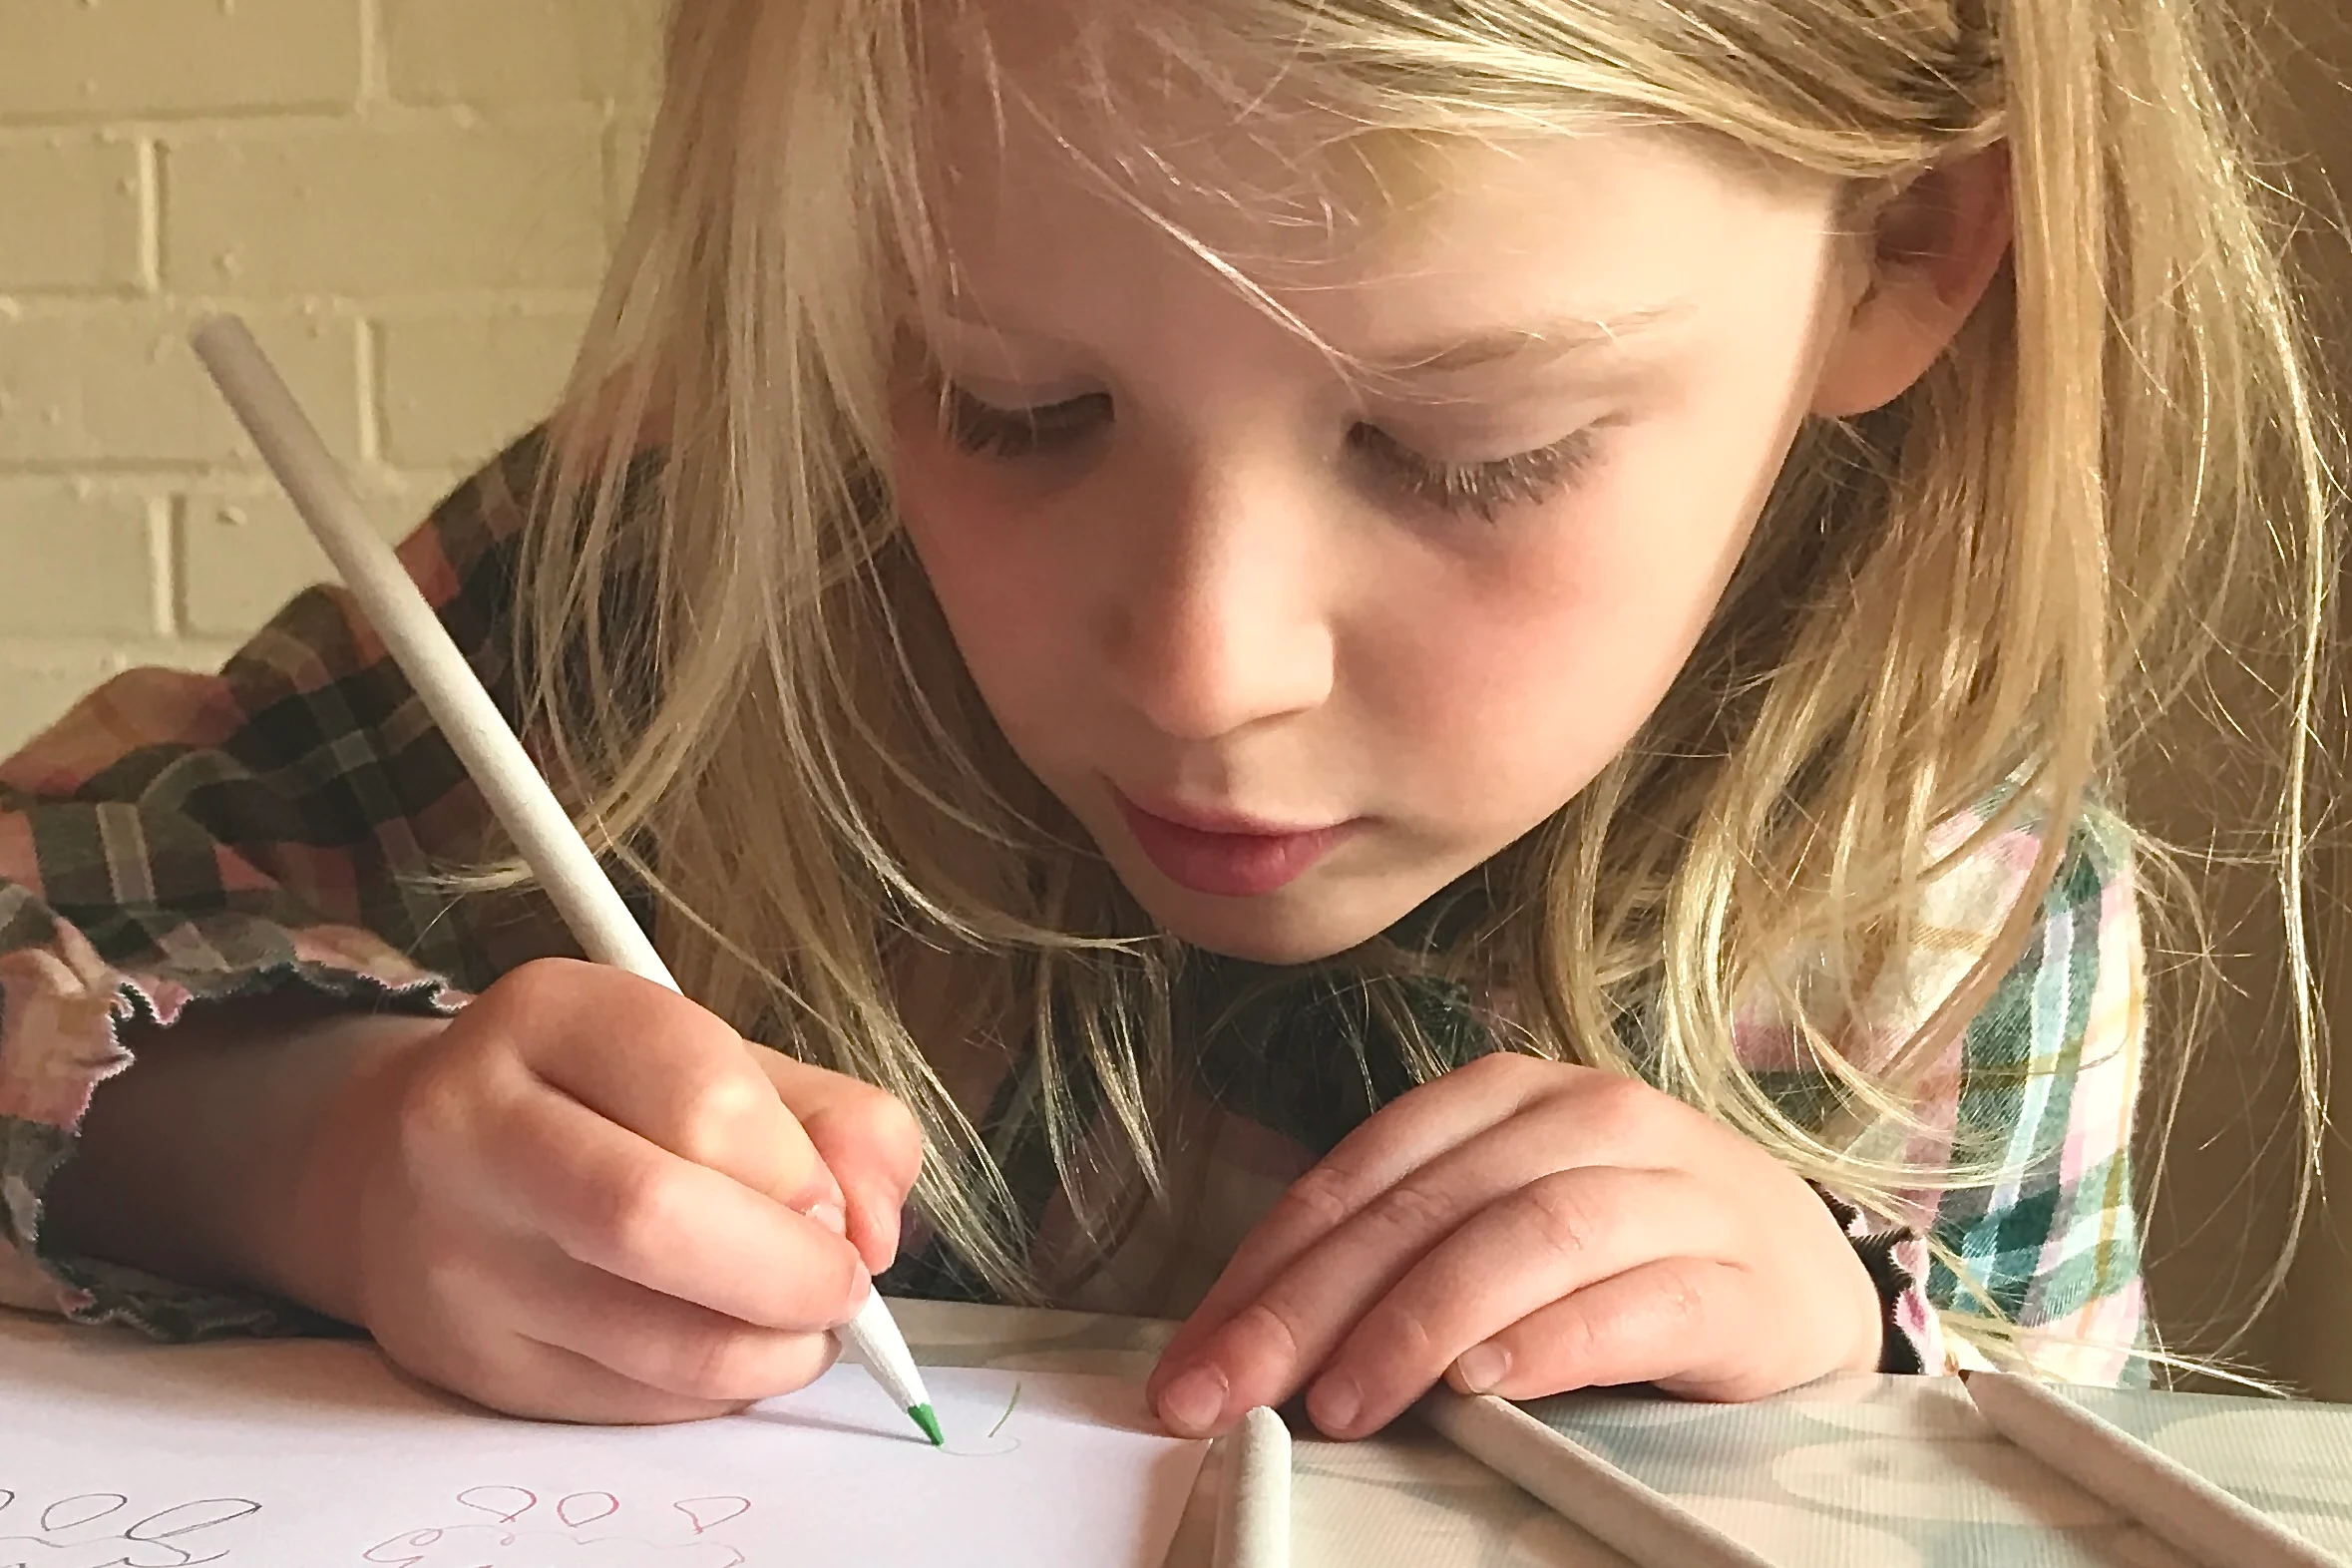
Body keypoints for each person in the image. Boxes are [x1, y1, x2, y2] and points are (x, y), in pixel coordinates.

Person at [0, 0, 2329, 1441]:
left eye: (1468, 451)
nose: (1208, 671)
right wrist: (310, 1150)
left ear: (1909, 250)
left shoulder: (1936, 885)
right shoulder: (672, 584)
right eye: (1010, 403)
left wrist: (1851, 1374)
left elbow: (2076, 1488)